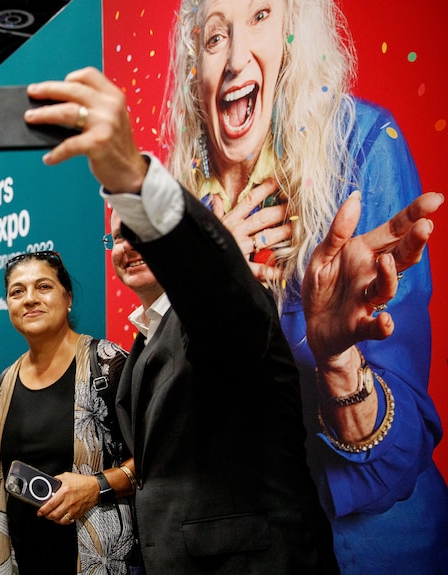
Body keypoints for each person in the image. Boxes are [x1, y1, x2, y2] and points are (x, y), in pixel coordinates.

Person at [24, 54, 441, 570]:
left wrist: (132, 176)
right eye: (118, 235)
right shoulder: (146, 336)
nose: (128, 246)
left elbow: (217, 291)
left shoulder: (232, 309)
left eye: (141, 230)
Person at [158, 0, 448, 570]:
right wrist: (204, 283)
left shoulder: (361, 144)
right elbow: (169, 417)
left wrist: (335, 360)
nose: (238, 58)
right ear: (195, 61)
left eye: (260, 17)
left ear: (295, 29)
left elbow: (403, 445)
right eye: (215, 37)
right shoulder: (182, 197)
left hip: (367, 552)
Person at [0, 251, 137, 574]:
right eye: (17, 291)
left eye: (43, 287)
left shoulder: (109, 364)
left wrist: (96, 486)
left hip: (96, 561)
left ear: (67, 298)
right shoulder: (3, 386)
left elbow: (157, 461)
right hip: (24, 562)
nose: (29, 299)